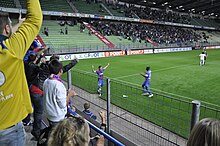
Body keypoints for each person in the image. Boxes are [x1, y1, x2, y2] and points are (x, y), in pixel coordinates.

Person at [0, 0, 43, 145]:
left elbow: (7, 33)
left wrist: (17, 24)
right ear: (7, 28)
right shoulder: (11, 49)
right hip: (10, 130)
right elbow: (35, 18)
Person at [43, 59, 77, 127]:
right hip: (57, 118)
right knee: (58, 136)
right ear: (61, 70)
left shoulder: (46, 81)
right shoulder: (58, 85)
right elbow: (63, 104)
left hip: (49, 114)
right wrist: (69, 95)